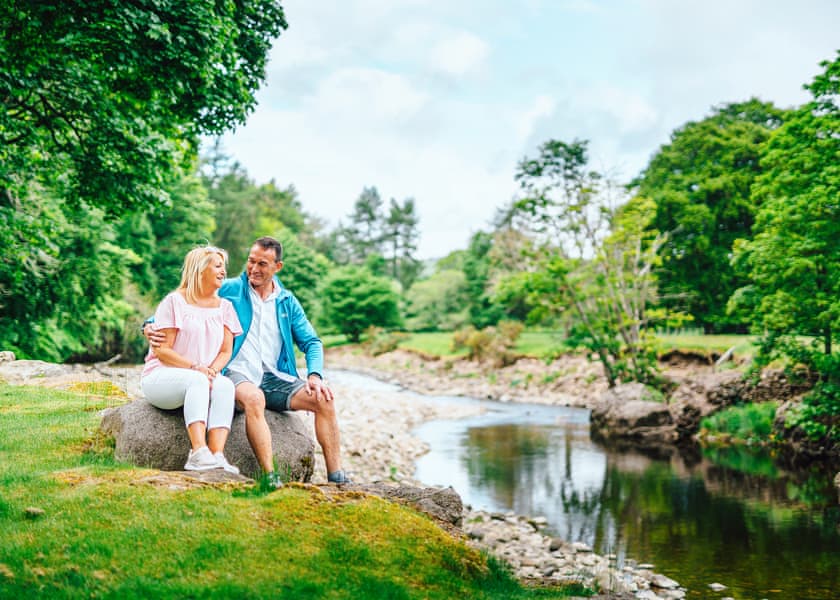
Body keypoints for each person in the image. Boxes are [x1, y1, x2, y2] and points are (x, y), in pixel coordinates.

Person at [146, 236, 349, 488]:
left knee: (324, 398)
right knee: (254, 398)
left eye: (262, 264)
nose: (254, 269)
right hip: (234, 371)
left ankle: (337, 476)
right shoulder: (230, 288)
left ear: (278, 267)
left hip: (274, 376)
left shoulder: (287, 301)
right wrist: (148, 326)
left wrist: (315, 375)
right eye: (251, 261)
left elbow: (312, 342)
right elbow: (184, 302)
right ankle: (270, 476)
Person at [141, 246, 243, 474]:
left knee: (225, 386)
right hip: (162, 377)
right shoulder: (174, 302)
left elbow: (226, 351)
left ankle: (216, 455)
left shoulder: (225, 307)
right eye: (217, 266)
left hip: (202, 375)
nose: (223, 272)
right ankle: (197, 453)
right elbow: (162, 351)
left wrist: (212, 371)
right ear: (199, 270)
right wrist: (197, 369)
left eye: (223, 267)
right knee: (196, 381)